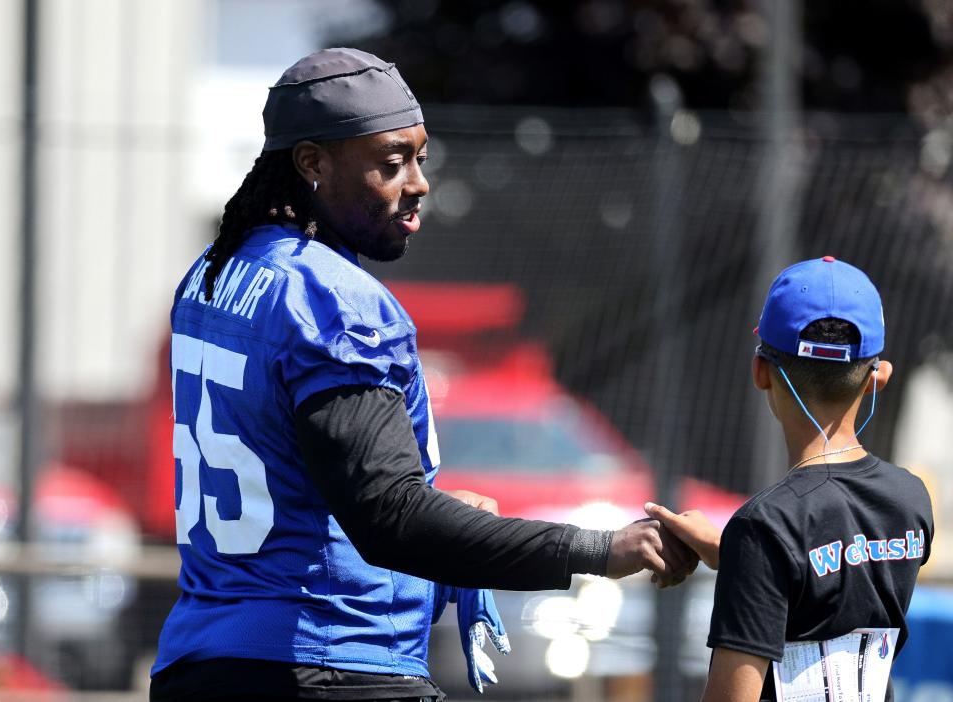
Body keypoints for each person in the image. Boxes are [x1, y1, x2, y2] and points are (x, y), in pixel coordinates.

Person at [150, 47, 697, 702]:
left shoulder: (213, 275)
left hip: (201, 666)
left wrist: (434, 505)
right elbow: (388, 516)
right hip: (329, 663)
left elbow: (302, 475)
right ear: (312, 162)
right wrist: (601, 549)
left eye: (420, 157)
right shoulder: (330, 297)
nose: (418, 183)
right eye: (391, 163)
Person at [646, 256, 935, 702]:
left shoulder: (765, 527)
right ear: (879, 377)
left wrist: (748, 555)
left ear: (760, 372)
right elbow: (842, 572)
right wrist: (738, 558)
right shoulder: (910, 499)